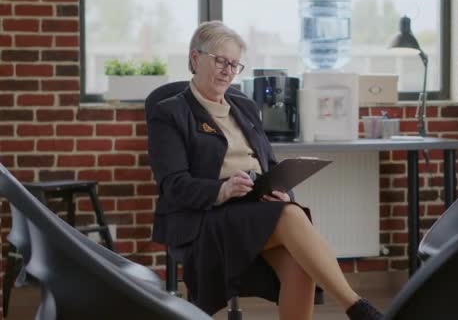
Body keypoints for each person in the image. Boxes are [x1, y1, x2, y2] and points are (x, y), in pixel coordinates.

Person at [147, 20, 383, 320]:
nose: (227, 71)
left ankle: (358, 310)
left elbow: (269, 165)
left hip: (253, 208)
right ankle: (357, 308)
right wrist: (222, 189)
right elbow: (173, 186)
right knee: (291, 215)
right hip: (205, 216)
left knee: (299, 261)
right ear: (195, 58)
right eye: (220, 60)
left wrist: (283, 191)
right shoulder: (169, 113)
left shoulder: (244, 105)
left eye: (234, 64)